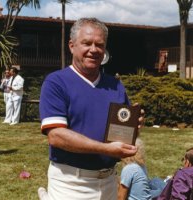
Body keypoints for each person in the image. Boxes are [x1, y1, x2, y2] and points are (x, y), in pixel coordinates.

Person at [38, 17, 144, 200]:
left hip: (109, 180)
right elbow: (56, 136)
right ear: (72, 46)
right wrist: (106, 149)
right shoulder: (57, 82)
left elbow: (121, 130)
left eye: (100, 45)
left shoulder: (115, 85)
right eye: (87, 43)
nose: (94, 50)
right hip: (71, 183)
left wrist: (134, 126)